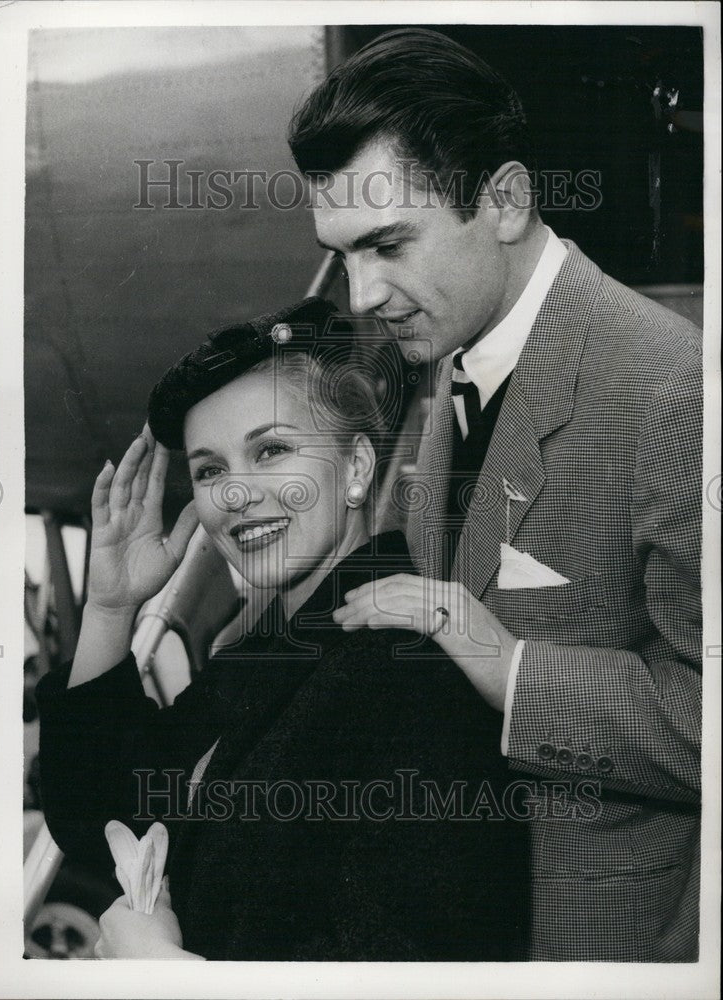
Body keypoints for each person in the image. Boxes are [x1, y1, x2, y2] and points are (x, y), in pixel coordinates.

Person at [288, 29, 703, 961]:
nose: (361, 295)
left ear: (506, 200)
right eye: (342, 253)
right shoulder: (465, 346)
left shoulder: (674, 389)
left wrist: (508, 664)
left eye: (389, 243)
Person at [36, 297, 529, 961]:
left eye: (270, 450)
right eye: (211, 470)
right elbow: (101, 812)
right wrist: (110, 606)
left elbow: (411, 966)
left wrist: (165, 972)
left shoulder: (408, 668)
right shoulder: (269, 650)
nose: (235, 494)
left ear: (356, 468)